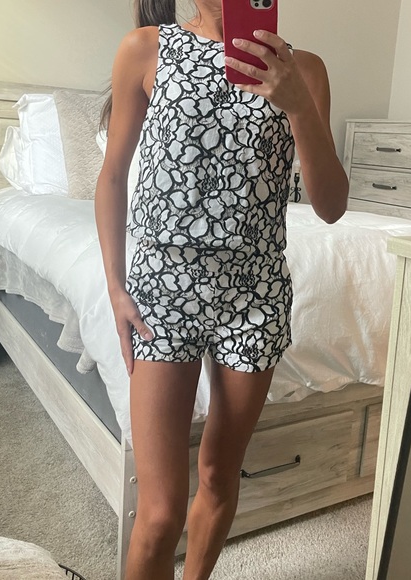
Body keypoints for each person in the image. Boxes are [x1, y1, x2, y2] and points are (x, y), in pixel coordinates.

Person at [94, 0, 348, 578]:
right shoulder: (146, 49)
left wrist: (297, 104)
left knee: (217, 474)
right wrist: (115, 287)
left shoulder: (305, 69)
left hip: (255, 295)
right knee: (159, 512)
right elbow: (112, 176)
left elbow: (331, 206)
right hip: (164, 289)